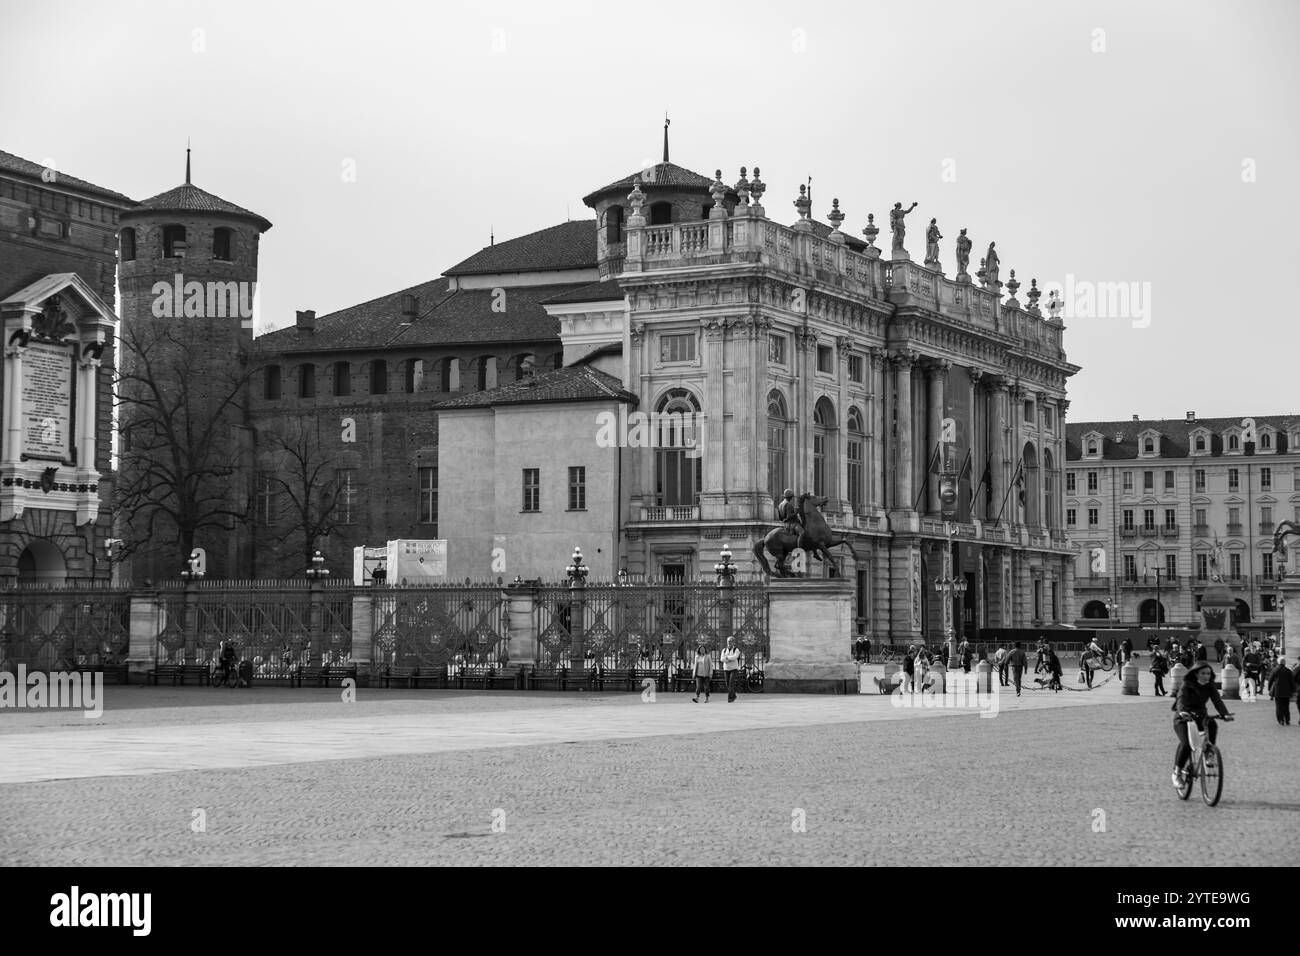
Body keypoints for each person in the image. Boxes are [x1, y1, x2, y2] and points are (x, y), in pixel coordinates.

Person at [1171, 660, 1233, 789]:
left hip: (1200, 716)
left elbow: (1217, 701)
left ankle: (1209, 753)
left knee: (1212, 725)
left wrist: (1224, 714)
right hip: (1183, 718)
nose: (1206, 676)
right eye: (1203, 673)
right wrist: (1182, 712)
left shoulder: (1210, 686)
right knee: (1187, 744)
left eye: (1208, 674)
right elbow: (1181, 699)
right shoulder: (1186, 685)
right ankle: (1176, 773)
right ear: (1196, 674)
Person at [1267, 658, 1296, 725]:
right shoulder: (1288, 671)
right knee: (1286, 706)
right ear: (1284, 663)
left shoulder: (1275, 670)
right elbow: (1292, 682)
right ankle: (1287, 720)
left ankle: (1280, 720)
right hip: (1286, 691)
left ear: (1278, 662)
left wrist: (1269, 688)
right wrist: (1293, 690)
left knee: (1278, 706)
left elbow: (1270, 680)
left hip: (1277, 691)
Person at [720, 636, 742, 703]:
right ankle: (734, 695)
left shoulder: (736, 650)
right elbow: (721, 659)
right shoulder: (724, 650)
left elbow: (735, 657)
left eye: (731, 641)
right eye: (728, 641)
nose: (729, 642)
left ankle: (730, 698)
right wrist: (729, 659)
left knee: (731, 683)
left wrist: (726, 658)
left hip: (733, 669)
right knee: (727, 684)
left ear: (733, 642)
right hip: (726, 669)